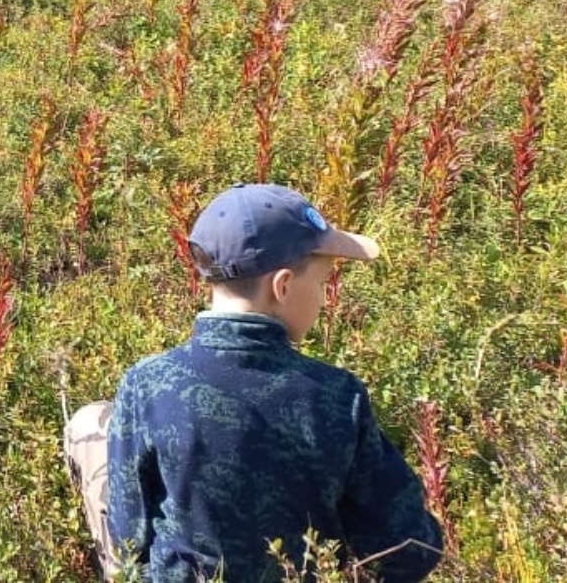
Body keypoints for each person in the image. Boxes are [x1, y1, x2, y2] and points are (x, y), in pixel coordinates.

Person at [64, 183, 443, 582]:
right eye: (321, 283)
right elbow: (413, 549)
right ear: (281, 286)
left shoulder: (145, 385)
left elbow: (129, 535)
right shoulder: (338, 396)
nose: (324, 299)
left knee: (90, 423)